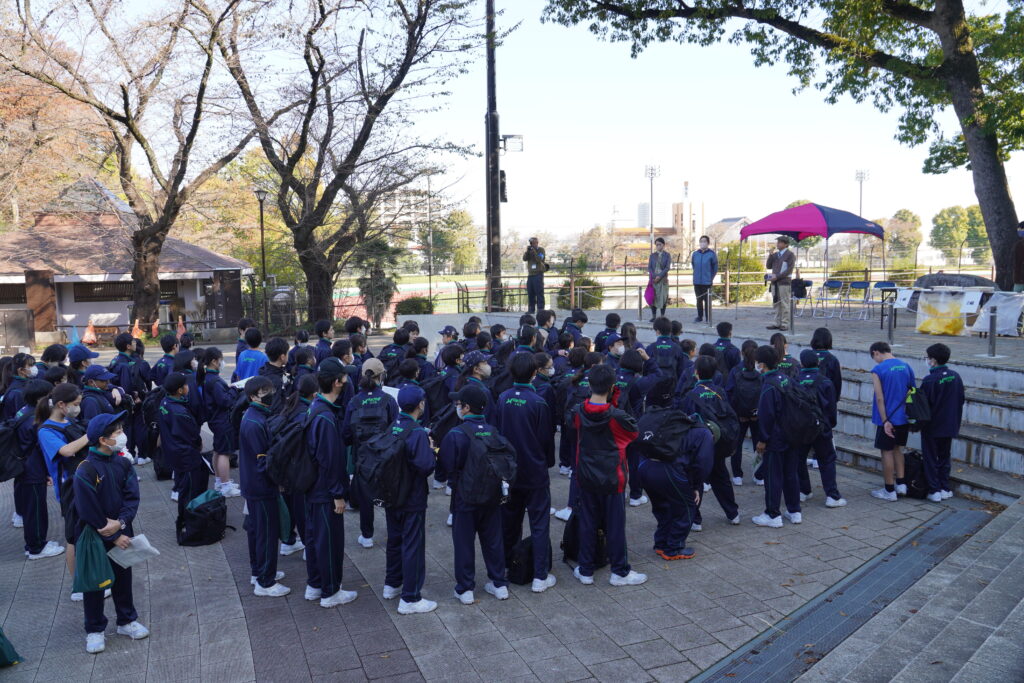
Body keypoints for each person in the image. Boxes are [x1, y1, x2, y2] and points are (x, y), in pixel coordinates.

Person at [73, 412, 148, 654]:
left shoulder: (123, 463)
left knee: (123, 577)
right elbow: (87, 509)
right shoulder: (85, 469)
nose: (122, 435)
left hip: (122, 531)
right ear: (104, 440)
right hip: (95, 536)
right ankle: (94, 629)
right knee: (96, 583)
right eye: (117, 432)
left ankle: (126, 621)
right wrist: (113, 534)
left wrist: (123, 522)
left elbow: (132, 497)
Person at [571, 364, 646, 586]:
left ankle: (585, 569)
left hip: (585, 474)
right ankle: (619, 570)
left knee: (587, 522)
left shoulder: (577, 412)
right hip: (613, 477)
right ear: (613, 387)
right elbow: (633, 434)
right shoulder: (618, 416)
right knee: (615, 525)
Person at [439, 384, 511, 604]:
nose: (457, 407)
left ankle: (465, 588)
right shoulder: (494, 432)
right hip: (491, 495)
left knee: (463, 543)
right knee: (493, 540)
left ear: (467, 407)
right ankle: (499, 584)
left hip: (465, 496)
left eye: (459, 404)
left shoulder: (455, 434)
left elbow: (446, 467)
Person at [493, 353, 558, 593]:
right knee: (539, 523)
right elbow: (546, 439)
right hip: (535, 472)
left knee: (509, 522)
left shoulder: (503, 398)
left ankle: (508, 568)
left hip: (509, 472)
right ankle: (540, 576)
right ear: (534, 373)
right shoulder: (539, 402)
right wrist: (547, 462)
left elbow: (499, 434)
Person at [634, 377, 714, 560]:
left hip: (644, 467)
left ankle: (661, 543)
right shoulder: (699, 431)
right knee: (686, 507)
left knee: (662, 506)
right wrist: (695, 485)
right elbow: (702, 463)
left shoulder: (653, 419)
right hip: (668, 470)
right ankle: (674, 548)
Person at [304, 357, 359, 608]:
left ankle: (315, 584)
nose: (347, 381)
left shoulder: (315, 407)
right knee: (329, 541)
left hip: (313, 487)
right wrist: (338, 494)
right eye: (344, 378)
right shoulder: (325, 418)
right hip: (325, 490)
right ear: (337, 383)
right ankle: (330, 591)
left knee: (315, 537)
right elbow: (329, 460)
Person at [382, 385, 437, 614]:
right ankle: (411, 597)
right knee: (413, 544)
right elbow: (425, 466)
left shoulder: (393, 426)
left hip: (391, 494)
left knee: (395, 540)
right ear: (420, 405)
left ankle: (392, 584)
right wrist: (432, 450)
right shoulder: (416, 432)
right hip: (412, 496)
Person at [36, 382, 90, 599]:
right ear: (61, 404)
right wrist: (91, 435)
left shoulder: (69, 420)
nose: (78, 408)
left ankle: (91, 577)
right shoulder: (46, 430)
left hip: (85, 483)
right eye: (75, 404)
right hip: (70, 489)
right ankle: (77, 584)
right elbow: (66, 451)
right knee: (73, 538)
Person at [238, 376, 289, 597]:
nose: (269, 393)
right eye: (263, 391)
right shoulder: (256, 422)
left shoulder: (253, 416)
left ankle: (259, 571)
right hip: (261, 487)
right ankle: (265, 582)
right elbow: (263, 462)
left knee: (257, 531)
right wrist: (277, 482)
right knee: (266, 533)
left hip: (253, 485)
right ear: (252, 396)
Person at [343, 358, 399, 549]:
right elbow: (395, 430)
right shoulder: (388, 400)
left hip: (362, 458)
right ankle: (394, 533)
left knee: (366, 498)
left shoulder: (354, 402)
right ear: (381, 376)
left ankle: (367, 536)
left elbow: (346, 434)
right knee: (390, 495)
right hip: (386, 457)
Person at [680, 356, 741, 529]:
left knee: (695, 479)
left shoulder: (691, 395)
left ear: (696, 373)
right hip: (720, 443)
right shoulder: (720, 391)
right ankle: (733, 513)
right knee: (721, 478)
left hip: (699, 446)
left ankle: (695, 519)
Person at [751, 346, 802, 528]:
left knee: (773, 476)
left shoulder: (768, 386)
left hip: (776, 439)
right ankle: (794, 510)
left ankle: (773, 514)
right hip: (793, 435)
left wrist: (763, 439)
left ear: (762, 364)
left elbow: (766, 416)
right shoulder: (787, 379)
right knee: (791, 474)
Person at [15, 379, 65, 560]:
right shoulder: (35, 419)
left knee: (32, 508)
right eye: (49, 396)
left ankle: (36, 543)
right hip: (32, 470)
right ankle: (36, 547)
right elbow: (40, 446)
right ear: (40, 399)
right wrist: (46, 473)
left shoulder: (24, 411)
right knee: (36, 510)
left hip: (24, 468)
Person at [794, 350, 846, 508]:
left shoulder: (795, 381)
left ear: (802, 364)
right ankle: (832, 496)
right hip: (822, 427)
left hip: (801, 428)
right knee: (827, 460)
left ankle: (804, 491)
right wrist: (830, 424)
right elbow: (831, 407)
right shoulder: (825, 382)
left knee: (799, 460)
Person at [869, 341, 915, 502]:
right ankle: (901, 484)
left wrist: (885, 420)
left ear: (876, 353)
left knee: (886, 452)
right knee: (898, 449)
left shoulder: (878, 370)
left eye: (874, 357)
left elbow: (880, 398)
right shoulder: (906, 366)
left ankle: (889, 489)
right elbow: (912, 391)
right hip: (903, 417)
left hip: (888, 419)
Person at [919, 343, 965, 502]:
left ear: (933, 360)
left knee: (931, 457)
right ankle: (945, 487)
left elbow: (923, 406)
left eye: (927, 357)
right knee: (944, 456)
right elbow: (961, 399)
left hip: (932, 426)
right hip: (950, 423)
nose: (926, 360)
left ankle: (934, 490)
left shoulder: (930, 380)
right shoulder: (956, 376)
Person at [159, 373, 206, 518]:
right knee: (190, 490)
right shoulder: (180, 412)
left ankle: (186, 519)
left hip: (174, 454)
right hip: (186, 457)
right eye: (185, 385)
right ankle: (189, 522)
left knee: (183, 488)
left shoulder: (165, 402)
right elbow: (192, 436)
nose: (188, 387)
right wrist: (198, 444)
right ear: (180, 390)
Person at [202, 348, 240, 497]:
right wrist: (233, 390)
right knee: (225, 452)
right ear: (214, 361)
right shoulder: (214, 380)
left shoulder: (208, 378)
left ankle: (220, 481)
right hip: (222, 420)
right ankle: (225, 486)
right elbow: (225, 401)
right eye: (221, 359)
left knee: (218, 450)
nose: (222, 362)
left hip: (215, 420)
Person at [724, 340, 761, 486]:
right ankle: (759, 475)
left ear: (742, 352)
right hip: (757, 414)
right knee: (758, 443)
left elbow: (729, 392)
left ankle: (737, 475)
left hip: (740, 415)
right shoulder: (761, 369)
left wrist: (735, 412)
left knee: (737, 444)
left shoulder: (736, 370)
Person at [766, 236, 796, 331]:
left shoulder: (790, 255)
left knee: (784, 303)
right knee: (776, 303)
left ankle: (785, 323)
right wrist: (770, 255)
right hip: (775, 283)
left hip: (784, 282)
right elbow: (768, 266)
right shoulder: (775, 255)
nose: (777, 244)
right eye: (778, 242)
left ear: (786, 244)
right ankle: (776, 323)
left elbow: (789, 270)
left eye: (780, 242)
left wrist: (777, 276)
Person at [257, 338, 290, 412]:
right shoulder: (275, 380)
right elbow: (276, 408)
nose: (288, 356)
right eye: (288, 353)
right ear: (282, 357)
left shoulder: (264, 370)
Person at [691, 235, 718, 323]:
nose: (702, 243)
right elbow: (693, 265)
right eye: (701, 241)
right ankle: (699, 316)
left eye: (704, 241)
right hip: (697, 281)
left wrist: (711, 278)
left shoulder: (712, 254)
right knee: (699, 300)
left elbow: (715, 267)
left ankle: (708, 317)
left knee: (707, 301)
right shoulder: (695, 254)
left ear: (708, 243)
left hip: (707, 282)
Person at [2, 353, 37, 421]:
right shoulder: (18, 392)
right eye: (31, 365)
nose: (34, 367)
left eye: (34, 364)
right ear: (21, 370)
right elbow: (22, 418)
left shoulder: (24, 384)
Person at [647, 237, 671, 321]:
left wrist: (659, 276)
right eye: (656, 245)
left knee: (663, 298)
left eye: (659, 244)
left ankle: (662, 316)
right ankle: (654, 316)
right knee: (653, 298)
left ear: (663, 245)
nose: (658, 246)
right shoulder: (652, 255)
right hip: (653, 280)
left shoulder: (667, 255)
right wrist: (654, 276)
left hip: (663, 280)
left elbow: (667, 267)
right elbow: (649, 268)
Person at [523, 236, 548, 314]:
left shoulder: (541, 250)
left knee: (539, 292)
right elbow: (524, 259)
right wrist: (527, 252)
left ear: (536, 243)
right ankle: (531, 309)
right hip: (530, 275)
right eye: (531, 243)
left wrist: (534, 252)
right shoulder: (529, 251)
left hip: (538, 274)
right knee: (531, 292)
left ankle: (540, 309)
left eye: (533, 243)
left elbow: (539, 259)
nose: (531, 245)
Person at [1014, 222, 1024, 292]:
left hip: (1020, 280)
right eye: (1018, 229)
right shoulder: (1019, 244)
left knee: (1016, 298)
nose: (1019, 230)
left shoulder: (1019, 245)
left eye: (1021, 229)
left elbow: (1017, 263)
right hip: (1019, 280)